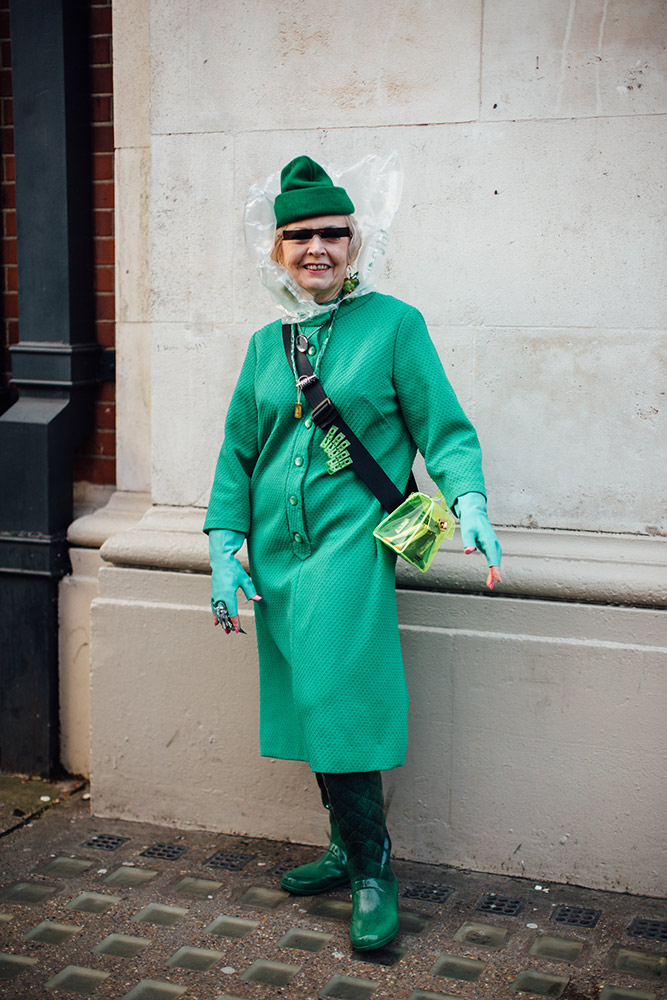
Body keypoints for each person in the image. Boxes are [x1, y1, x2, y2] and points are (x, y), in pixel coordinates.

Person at [204, 155, 501, 952]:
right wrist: (222, 549)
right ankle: (341, 849)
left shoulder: (396, 325)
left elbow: (443, 427)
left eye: (332, 233)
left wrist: (466, 499)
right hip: (274, 556)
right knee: (311, 702)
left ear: (356, 240)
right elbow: (237, 455)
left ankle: (373, 870)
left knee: (340, 699)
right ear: (276, 251)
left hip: (346, 550)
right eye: (298, 236)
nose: (316, 249)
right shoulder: (268, 344)